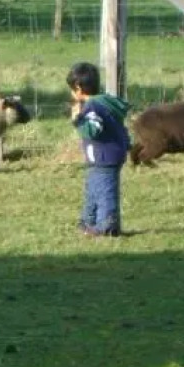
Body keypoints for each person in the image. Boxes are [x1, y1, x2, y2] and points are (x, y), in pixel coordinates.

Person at [67, 61, 131, 238]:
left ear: (79, 88)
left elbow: (94, 129)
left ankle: (107, 226)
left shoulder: (93, 106)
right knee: (94, 188)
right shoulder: (104, 102)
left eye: (72, 89)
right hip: (103, 158)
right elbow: (119, 127)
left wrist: (77, 120)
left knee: (105, 192)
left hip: (105, 158)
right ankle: (89, 222)